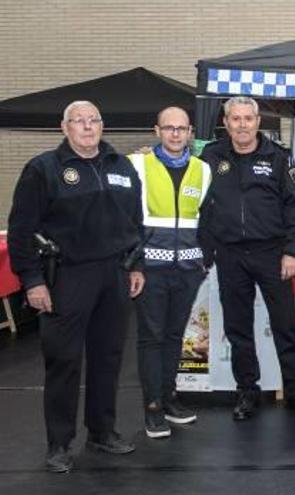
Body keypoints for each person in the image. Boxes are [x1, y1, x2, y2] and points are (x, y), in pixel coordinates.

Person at [7, 101, 144, 472]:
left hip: (114, 275)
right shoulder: (44, 170)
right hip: (66, 277)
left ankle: (102, 432)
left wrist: (136, 265)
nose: (87, 127)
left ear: (103, 125)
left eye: (94, 120)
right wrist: (32, 281)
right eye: (78, 121)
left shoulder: (122, 167)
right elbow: (20, 232)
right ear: (63, 127)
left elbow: (135, 221)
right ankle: (59, 444)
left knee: (108, 359)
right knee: (64, 362)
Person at [199, 96, 295, 421]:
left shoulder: (279, 157)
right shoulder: (210, 156)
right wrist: (205, 248)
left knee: (285, 325)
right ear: (225, 123)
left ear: (257, 122)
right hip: (229, 254)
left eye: (247, 119)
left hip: (272, 254)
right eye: (235, 119)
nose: (241, 125)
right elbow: (199, 204)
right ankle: (247, 391)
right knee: (238, 328)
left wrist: (293, 251)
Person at [128, 107, 211, 438]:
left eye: (181, 129)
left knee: (175, 336)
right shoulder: (137, 165)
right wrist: (134, 264)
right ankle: (152, 409)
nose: (175, 134)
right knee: (151, 338)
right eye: (168, 128)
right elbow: (127, 218)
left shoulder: (203, 171)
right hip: (150, 269)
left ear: (191, 132)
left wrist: (204, 260)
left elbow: (208, 219)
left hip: (188, 269)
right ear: (157, 130)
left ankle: (169, 397)